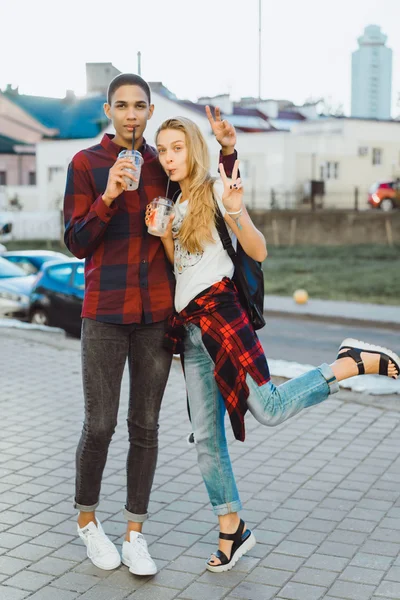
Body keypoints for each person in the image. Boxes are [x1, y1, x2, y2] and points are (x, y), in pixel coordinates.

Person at [146, 116, 400, 573]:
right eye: (163, 150)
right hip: (189, 328)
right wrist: (165, 235)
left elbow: (258, 251)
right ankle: (232, 528)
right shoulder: (176, 203)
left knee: (270, 408)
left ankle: (348, 363)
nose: (168, 157)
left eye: (177, 148)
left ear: (194, 150)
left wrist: (238, 208)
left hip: (222, 317)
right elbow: (181, 269)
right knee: (206, 437)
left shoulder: (215, 190)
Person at [63, 73, 238, 576]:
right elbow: (75, 242)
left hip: (158, 315)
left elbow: (215, 191)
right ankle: (88, 521)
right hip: (103, 312)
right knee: (100, 424)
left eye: (141, 106)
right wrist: (110, 196)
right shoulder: (86, 165)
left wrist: (227, 152)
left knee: (146, 427)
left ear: (148, 110)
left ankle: (135, 533)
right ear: (108, 110)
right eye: (123, 106)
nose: (133, 115)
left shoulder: (163, 166)